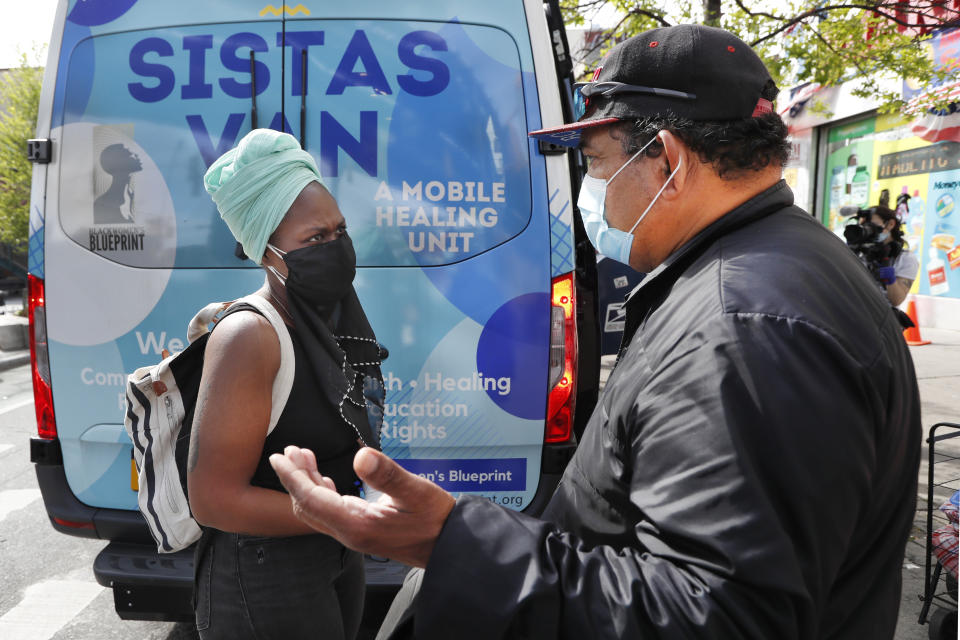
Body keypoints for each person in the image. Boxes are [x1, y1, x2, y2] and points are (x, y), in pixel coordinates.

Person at [269, 25, 921, 640]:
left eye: (598, 164)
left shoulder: (743, 329)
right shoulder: (773, 268)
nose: (593, 192)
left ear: (665, 158)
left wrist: (456, 544)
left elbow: (715, 616)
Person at [189, 128, 385, 640]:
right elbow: (212, 498)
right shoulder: (251, 335)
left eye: (340, 232)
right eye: (315, 239)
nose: (336, 247)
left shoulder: (324, 321)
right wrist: (343, 514)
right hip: (265, 572)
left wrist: (347, 517)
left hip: (333, 551)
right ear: (268, 251)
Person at [855, 204, 919, 306]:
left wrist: (891, 280)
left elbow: (897, 300)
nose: (869, 232)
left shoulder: (906, 259)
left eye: (872, 227)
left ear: (890, 224)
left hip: (882, 316)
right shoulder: (861, 253)